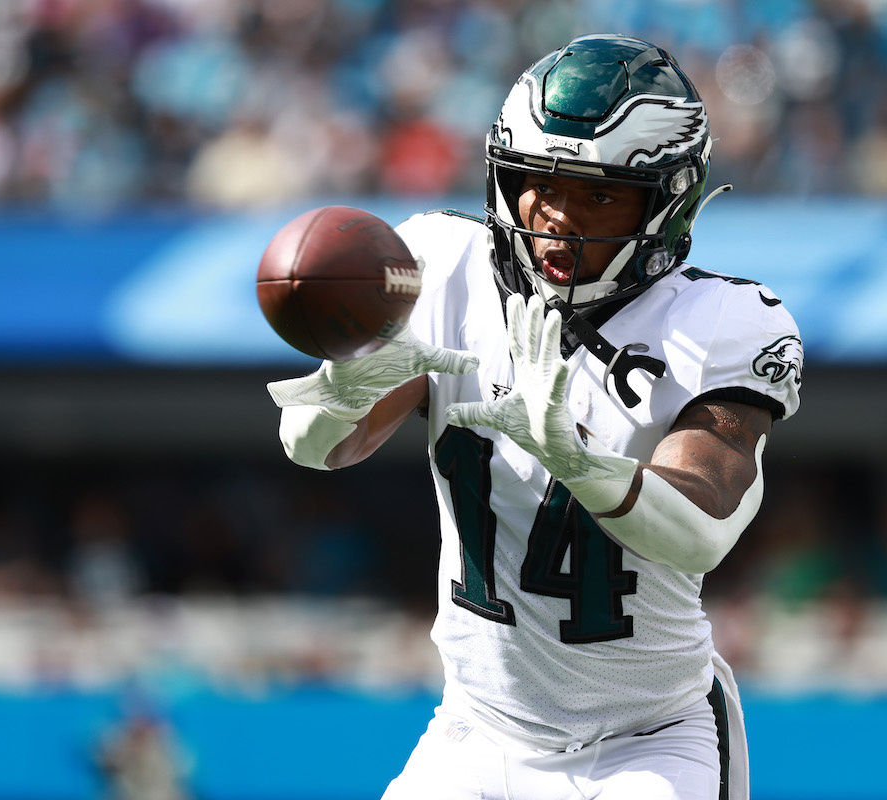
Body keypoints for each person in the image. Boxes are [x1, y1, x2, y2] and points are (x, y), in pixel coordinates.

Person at [268, 34, 802, 800]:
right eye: (539, 182)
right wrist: (345, 383)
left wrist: (579, 460)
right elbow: (313, 449)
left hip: (648, 739)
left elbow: (705, 527)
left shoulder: (726, 321)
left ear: (666, 199)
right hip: (480, 728)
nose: (556, 216)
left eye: (599, 193)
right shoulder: (442, 265)